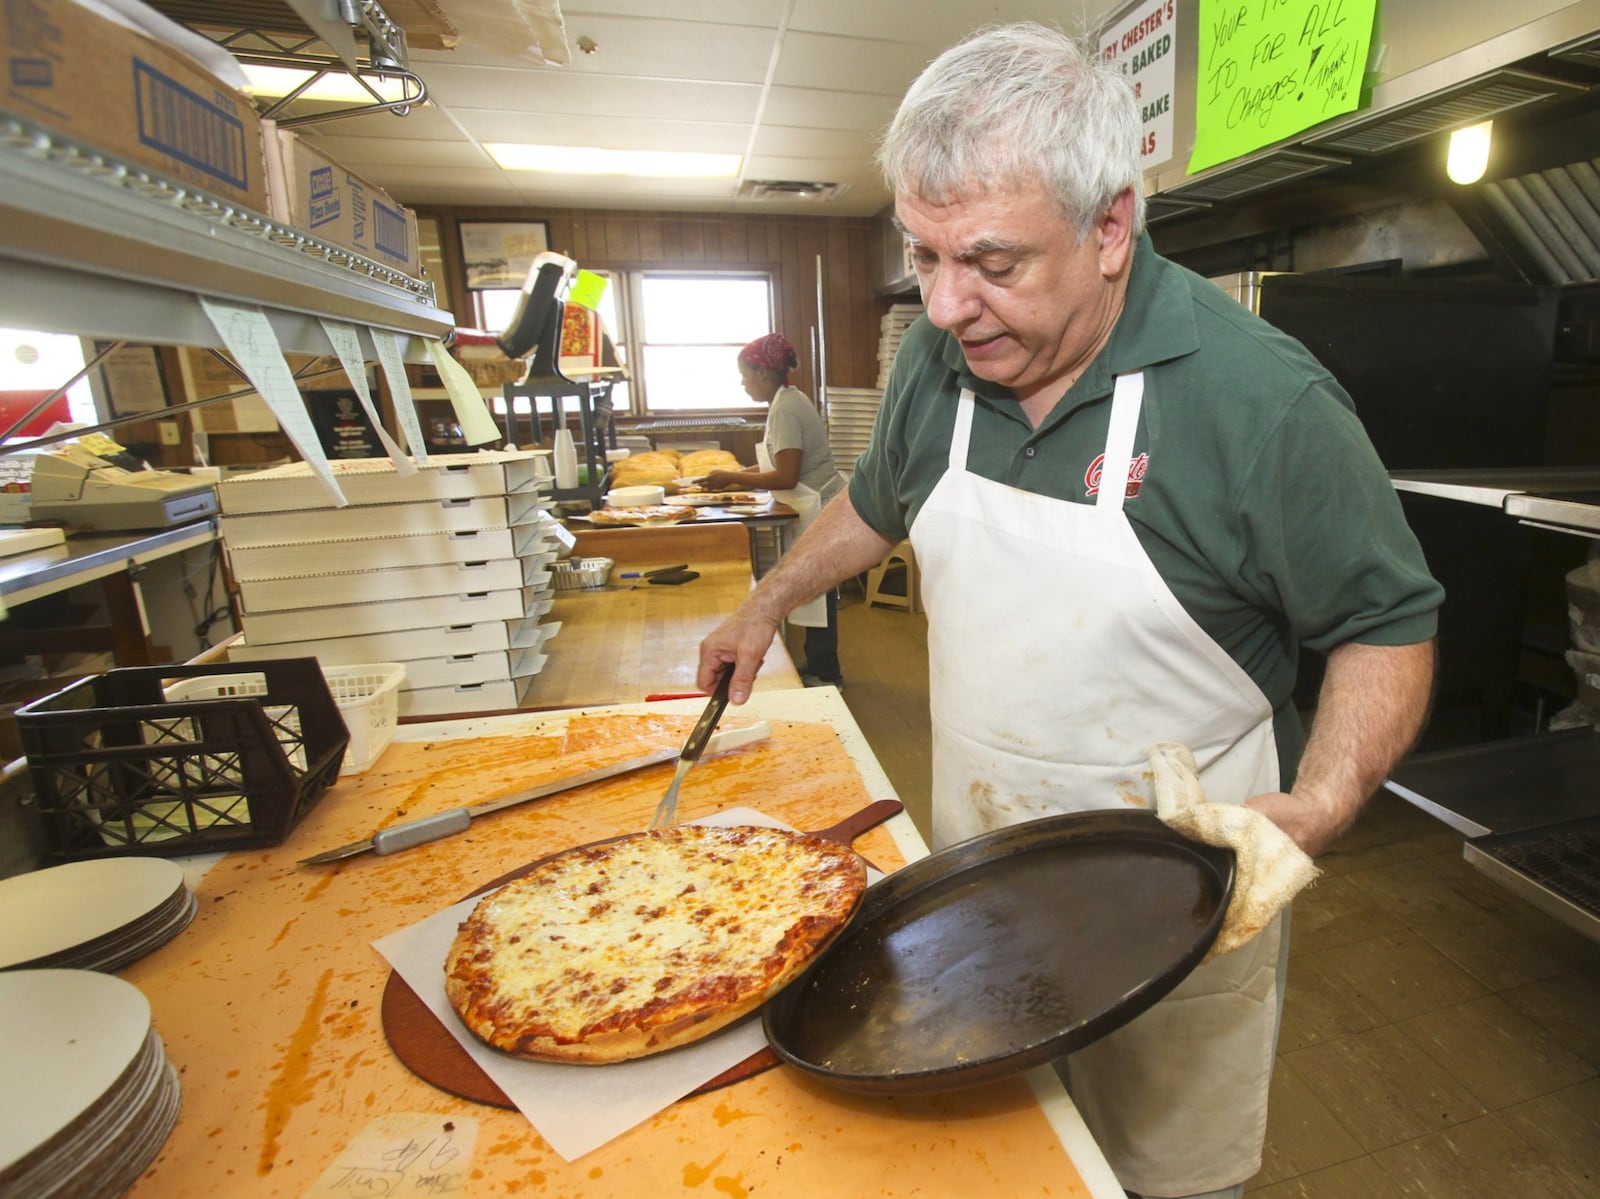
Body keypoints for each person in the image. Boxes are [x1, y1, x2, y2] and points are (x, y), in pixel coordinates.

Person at [697, 22, 1443, 1199]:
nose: (945, 304)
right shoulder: (935, 365)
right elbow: (878, 505)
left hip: (1178, 906)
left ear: (1110, 228)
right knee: (998, 1159)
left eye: (991, 262)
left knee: (1162, 1173)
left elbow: (1384, 621)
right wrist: (766, 597)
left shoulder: (1263, 403)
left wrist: (1320, 801)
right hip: (976, 880)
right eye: (923, 254)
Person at [698, 333, 846, 687]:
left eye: (745, 375)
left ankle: (826, 673)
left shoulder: (786, 408)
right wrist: (730, 481)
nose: (743, 383)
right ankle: (817, 665)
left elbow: (786, 474)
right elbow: (776, 463)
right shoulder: (785, 401)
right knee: (811, 591)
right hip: (810, 504)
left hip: (819, 506)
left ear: (763, 374)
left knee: (816, 591)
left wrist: (731, 476)